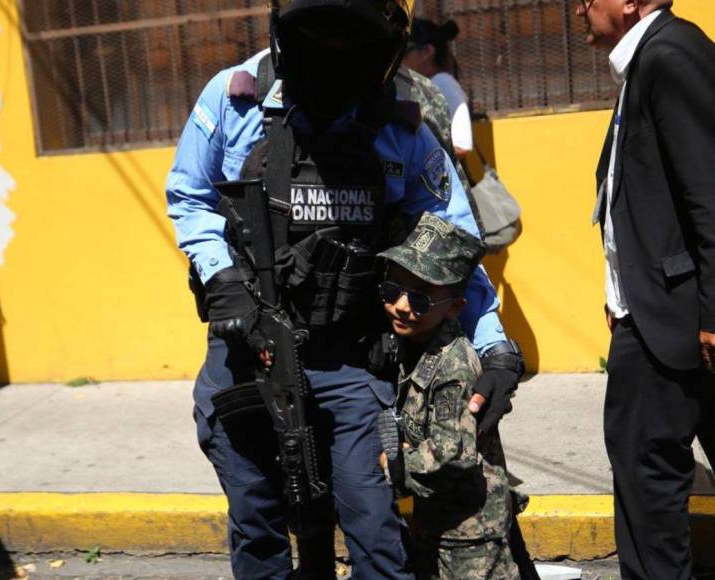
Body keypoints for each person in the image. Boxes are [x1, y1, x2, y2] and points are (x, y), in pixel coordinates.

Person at [165, 0, 526, 577]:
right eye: (318, 40)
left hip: (349, 360)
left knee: (375, 530)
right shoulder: (235, 98)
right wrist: (221, 276)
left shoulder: (400, 128)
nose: (333, 58)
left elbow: (450, 246)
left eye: (350, 46)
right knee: (258, 526)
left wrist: (496, 347)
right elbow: (189, 195)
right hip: (248, 349)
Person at [576, 0, 715, 577]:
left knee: (646, 481)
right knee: (641, 472)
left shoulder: (670, 55)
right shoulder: (646, 62)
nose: (580, 7)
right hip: (656, 311)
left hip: (678, 320)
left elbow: (709, 193)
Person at [377, 212, 520, 579]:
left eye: (422, 300)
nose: (403, 306)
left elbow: (452, 451)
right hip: (437, 522)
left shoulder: (454, 364)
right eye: (393, 291)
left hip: (470, 535)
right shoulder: (411, 345)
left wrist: (394, 468)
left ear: (456, 306)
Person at [402, 18, 473, 157]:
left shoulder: (443, 84)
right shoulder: (423, 84)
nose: (400, 59)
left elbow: (461, 144)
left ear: (427, 51)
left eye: (404, 52)